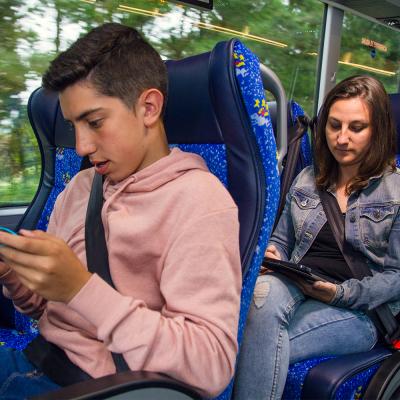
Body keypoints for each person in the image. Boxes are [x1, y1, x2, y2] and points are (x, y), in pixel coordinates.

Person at [0, 23, 242, 399]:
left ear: (148, 108)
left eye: (94, 122)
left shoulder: (200, 202)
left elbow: (210, 364)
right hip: (38, 361)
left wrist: (82, 289)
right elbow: (45, 308)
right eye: (73, 126)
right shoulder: (81, 188)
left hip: (105, 386)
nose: (80, 146)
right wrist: (14, 275)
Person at [233, 75, 400, 399]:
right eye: (334, 125)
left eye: (356, 128)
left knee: (254, 345)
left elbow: (396, 277)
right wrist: (274, 254)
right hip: (298, 282)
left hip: (359, 310)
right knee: (261, 294)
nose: (341, 138)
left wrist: (338, 293)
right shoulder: (308, 178)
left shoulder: (396, 191)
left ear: (377, 131)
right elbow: (283, 239)